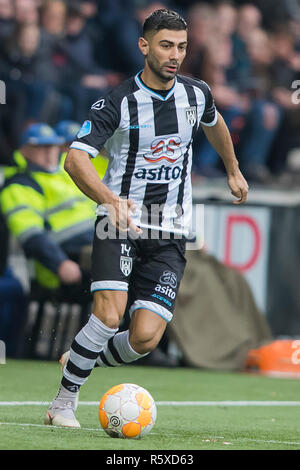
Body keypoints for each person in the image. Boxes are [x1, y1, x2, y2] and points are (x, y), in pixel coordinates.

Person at [45, 8, 248, 428]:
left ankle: (82, 355)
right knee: (108, 315)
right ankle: (63, 403)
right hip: (118, 222)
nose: (175, 55)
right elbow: (75, 159)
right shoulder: (117, 102)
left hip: (172, 231)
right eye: (166, 45)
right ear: (144, 46)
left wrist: (233, 168)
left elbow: (215, 123)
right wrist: (109, 199)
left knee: (144, 338)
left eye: (182, 47)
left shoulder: (197, 94)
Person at [0, 123, 96, 291]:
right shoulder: (19, 185)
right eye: (41, 147)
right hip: (70, 257)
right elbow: (30, 235)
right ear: (24, 150)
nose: (50, 152)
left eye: (52, 146)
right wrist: (60, 263)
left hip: (97, 240)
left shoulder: (63, 172)